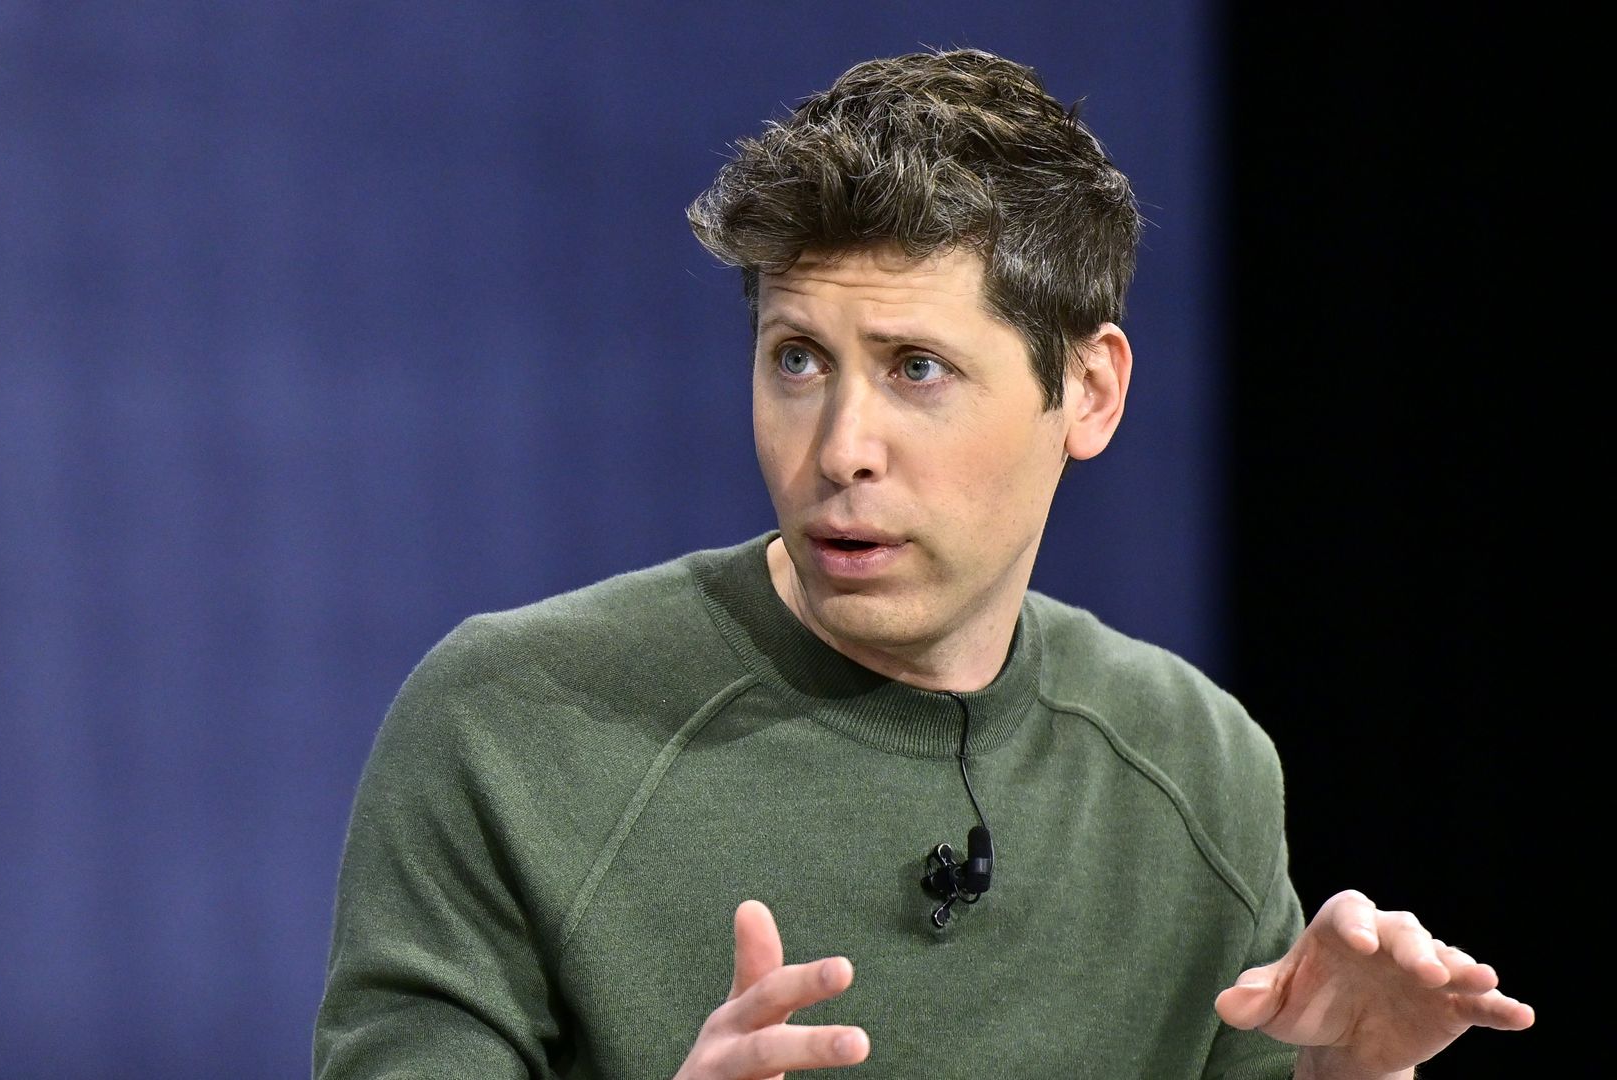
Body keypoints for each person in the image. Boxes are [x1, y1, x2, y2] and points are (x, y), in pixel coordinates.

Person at [313, 48, 1533, 1079]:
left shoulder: (1196, 768)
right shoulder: (509, 727)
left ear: (1090, 391)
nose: (841, 447)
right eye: (797, 359)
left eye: (916, 369)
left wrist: (1346, 1076)